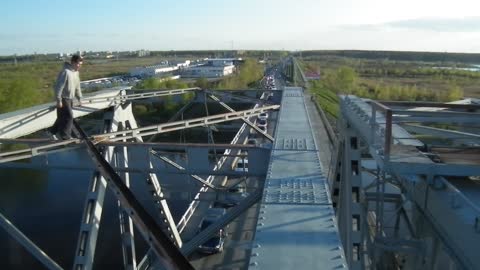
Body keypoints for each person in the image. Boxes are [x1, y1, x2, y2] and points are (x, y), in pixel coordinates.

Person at [49, 54, 83, 140]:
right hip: (63, 97)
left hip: (70, 98)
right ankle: (65, 136)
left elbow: (77, 86)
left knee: (62, 116)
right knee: (69, 116)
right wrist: (58, 100)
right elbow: (59, 87)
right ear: (72, 62)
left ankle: (51, 132)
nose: (79, 66)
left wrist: (79, 98)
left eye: (80, 64)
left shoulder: (76, 73)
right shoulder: (65, 72)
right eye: (78, 64)